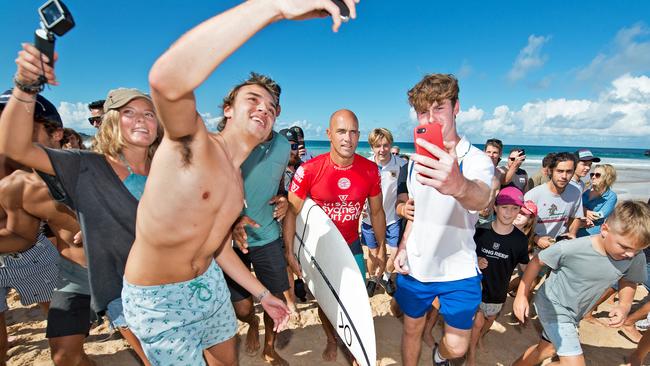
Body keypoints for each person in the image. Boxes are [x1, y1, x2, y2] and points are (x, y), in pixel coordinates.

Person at [123, 1, 354, 364]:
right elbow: (166, 80)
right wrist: (275, 7)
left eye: (272, 106)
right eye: (253, 99)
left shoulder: (236, 184)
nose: (265, 108)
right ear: (228, 109)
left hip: (209, 285)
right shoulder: (193, 144)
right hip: (158, 297)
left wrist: (263, 295)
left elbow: (215, 249)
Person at [0, 41, 166, 364]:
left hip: (125, 273)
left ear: (57, 132)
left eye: (22, 121)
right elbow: (21, 236)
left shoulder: (97, 166)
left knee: (153, 355)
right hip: (76, 275)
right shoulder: (16, 187)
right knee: (64, 357)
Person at [392, 74, 493, 366]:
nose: (432, 118)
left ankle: (439, 355)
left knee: (457, 347)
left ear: (456, 107)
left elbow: (482, 198)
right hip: (418, 265)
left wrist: (459, 185)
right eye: (424, 111)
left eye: (439, 108)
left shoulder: (476, 160)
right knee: (412, 329)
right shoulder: (414, 163)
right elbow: (416, 214)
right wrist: (402, 247)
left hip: (458, 268)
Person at [285, 109, 386, 362]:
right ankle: (332, 339)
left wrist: (381, 246)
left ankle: (353, 351)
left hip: (351, 245)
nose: (347, 138)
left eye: (353, 132)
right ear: (329, 134)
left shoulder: (370, 171)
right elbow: (291, 213)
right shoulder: (309, 170)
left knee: (356, 298)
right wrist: (289, 251)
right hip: (322, 248)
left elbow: (377, 211)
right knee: (326, 301)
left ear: (359, 135)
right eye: (341, 131)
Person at [513, 201, 650, 366]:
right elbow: (537, 262)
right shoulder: (572, 248)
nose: (630, 254)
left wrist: (624, 305)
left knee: (547, 349)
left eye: (637, 249)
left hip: (576, 311)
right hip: (553, 306)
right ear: (605, 230)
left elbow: (629, 279)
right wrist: (521, 295)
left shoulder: (635, 255)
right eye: (625, 247)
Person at [0, 91, 63, 366]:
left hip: (32, 251)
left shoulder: (34, 163)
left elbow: (23, 237)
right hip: (23, 244)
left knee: (63, 326)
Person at [227, 121, 291, 364]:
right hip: (233, 238)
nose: (264, 112)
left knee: (276, 300)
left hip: (268, 235)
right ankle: (252, 323)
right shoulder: (229, 143)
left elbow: (278, 184)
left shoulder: (284, 145)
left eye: (271, 107)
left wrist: (284, 199)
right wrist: (231, 219)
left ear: (277, 111)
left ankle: (270, 349)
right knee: (242, 309)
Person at [467, 187, 530, 366]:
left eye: (514, 208)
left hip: (498, 291)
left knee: (489, 321)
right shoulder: (480, 231)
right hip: (476, 288)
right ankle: (471, 354)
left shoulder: (520, 240)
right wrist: (475, 260)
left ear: (519, 211)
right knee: (477, 322)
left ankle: (479, 338)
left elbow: (525, 267)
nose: (509, 213)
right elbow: (463, 254)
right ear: (495, 207)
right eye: (504, 207)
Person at [363, 128, 405, 296]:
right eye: (377, 146)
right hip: (369, 219)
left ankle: (386, 277)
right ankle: (373, 278)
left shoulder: (401, 164)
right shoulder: (365, 165)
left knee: (394, 254)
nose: (382, 150)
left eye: (386, 145)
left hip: (392, 218)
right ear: (372, 147)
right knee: (373, 254)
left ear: (391, 145)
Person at [525, 152, 584, 250]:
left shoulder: (575, 192)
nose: (564, 176)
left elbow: (576, 216)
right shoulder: (533, 195)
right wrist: (537, 239)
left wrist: (571, 234)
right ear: (550, 171)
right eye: (560, 171)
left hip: (559, 247)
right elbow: (520, 225)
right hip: (532, 248)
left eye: (569, 171)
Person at [577, 163, 617, 237]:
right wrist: (585, 211)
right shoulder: (585, 189)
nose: (593, 177)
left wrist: (582, 211)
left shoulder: (611, 196)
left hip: (591, 234)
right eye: (592, 174)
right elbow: (573, 207)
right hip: (575, 228)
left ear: (607, 178)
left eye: (597, 175)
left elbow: (599, 216)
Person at [478, 138, 504, 225]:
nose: (491, 155)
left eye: (495, 152)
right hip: (474, 216)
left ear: (500, 154)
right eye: (488, 152)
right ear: (484, 152)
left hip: (490, 218)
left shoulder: (499, 173)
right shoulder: (476, 169)